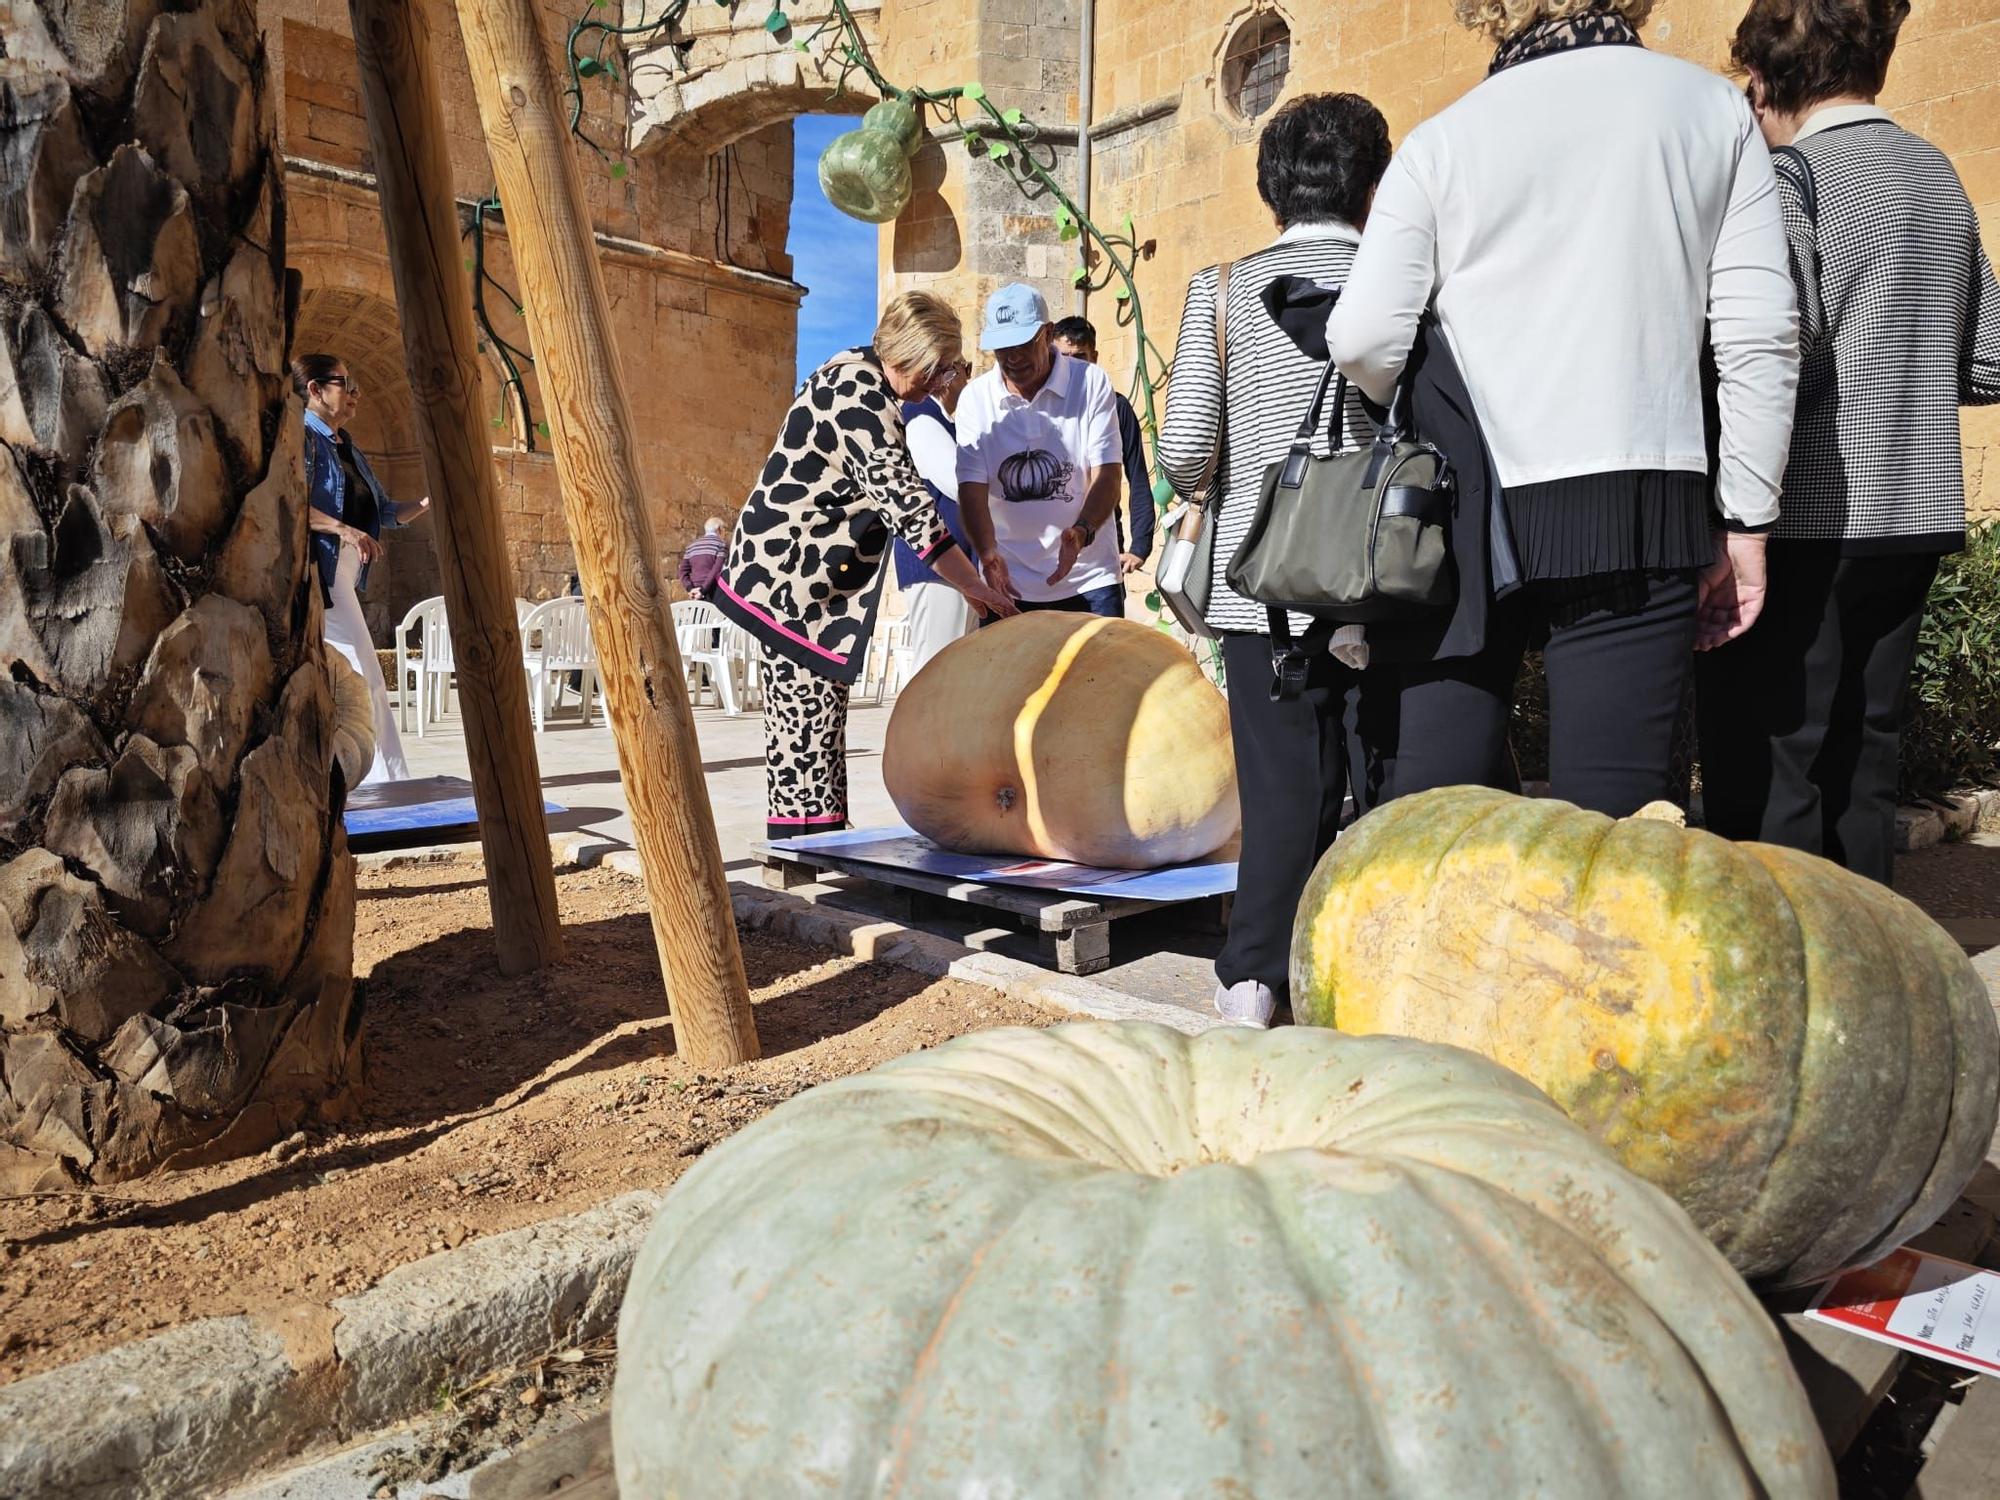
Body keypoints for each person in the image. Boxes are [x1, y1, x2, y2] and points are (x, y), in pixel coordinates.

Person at [1327, 0, 1800, 819]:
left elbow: (1364, 335)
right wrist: (1747, 517)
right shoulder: (1710, 108)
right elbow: (1760, 335)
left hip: (1471, 509)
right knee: (1611, 832)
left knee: (1436, 820)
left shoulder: (1443, 139)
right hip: (1638, 495)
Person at [1697, 0, 2000, 885]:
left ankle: (1788, 975)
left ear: (1765, 78)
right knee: (1865, 756)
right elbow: (1987, 359)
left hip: (1805, 516)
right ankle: (1876, 963)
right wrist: (1898, 374)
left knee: (1775, 759)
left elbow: (1781, 344)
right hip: (1918, 509)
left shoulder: (1790, 177)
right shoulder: (1936, 171)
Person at [1157, 93, 1401, 1031]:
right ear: (1371, 185)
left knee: (1281, 786)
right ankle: (1365, 965)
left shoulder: (1220, 292)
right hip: (1384, 580)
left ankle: (1257, 975)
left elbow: (1184, 454)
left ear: (1272, 189)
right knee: (1379, 779)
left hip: (1262, 589)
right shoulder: (1400, 283)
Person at [709, 293, 1017, 841]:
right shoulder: (859, 397)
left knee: (813, 719)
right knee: (805, 722)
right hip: (793, 580)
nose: (943, 381)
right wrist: (975, 587)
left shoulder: (853, 373)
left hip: (804, 579)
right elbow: (910, 510)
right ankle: (806, 846)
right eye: (942, 367)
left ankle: (814, 838)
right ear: (915, 355)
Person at [298, 354, 429, 786]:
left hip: (343, 574)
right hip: (320, 570)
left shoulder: (347, 446)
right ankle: (386, 781)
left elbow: (385, 511)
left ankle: (347, 775)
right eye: (346, 383)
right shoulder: (301, 437)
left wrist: (427, 505)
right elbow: (291, 501)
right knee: (363, 670)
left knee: (351, 672)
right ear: (315, 390)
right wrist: (346, 531)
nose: (356, 393)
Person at [957, 285, 1127, 618]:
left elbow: (1107, 473)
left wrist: (1082, 532)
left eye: (1022, 344)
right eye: (1002, 348)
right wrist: (987, 553)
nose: (1013, 358)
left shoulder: (1090, 382)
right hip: (1006, 581)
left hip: (1089, 580)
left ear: (1046, 333)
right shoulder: (975, 398)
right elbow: (971, 490)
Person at [1049, 316, 1157, 582]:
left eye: (1079, 356)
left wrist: (1139, 547)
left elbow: (1138, 477)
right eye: (1063, 357)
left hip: (1102, 543)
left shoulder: (1116, 407)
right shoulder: (1042, 406)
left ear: (1094, 356)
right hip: (1047, 546)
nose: (1071, 365)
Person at [892, 357, 980, 673]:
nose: (966, 378)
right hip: (937, 567)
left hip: (957, 566)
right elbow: (960, 484)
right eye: (961, 369)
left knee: (955, 670)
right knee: (936, 669)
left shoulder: (945, 421)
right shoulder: (921, 415)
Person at [678, 518, 727, 598]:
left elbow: (682, 571)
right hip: (713, 593)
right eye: (724, 529)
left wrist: (690, 589)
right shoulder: (721, 545)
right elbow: (716, 569)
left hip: (694, 594)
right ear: (719, 529)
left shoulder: (691, 546)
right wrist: (702, 590)